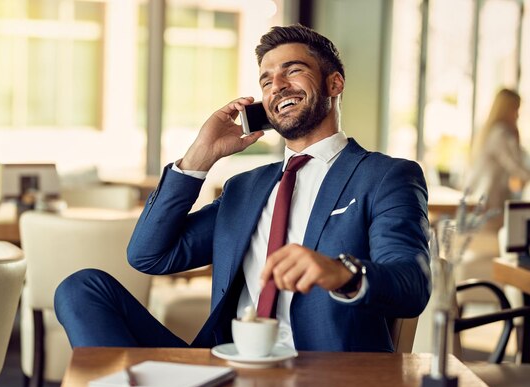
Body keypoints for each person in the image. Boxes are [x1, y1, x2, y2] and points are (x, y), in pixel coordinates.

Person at [54, 24, 430, 353]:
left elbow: (411, 285)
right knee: (81, 288)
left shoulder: (385, 176)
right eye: (266, 80)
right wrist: (198, 158)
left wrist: (341, 271)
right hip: (228, 364)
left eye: (293, 71)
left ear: (334, 83)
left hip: (321, 373)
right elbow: (149, 256)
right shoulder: (244, 188)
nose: (277, 85)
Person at [465, 88, 530, 231]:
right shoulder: (500, 134)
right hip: (488, 210)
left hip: (485, 206)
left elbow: (527, 165)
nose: (517, 115)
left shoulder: (496, 133)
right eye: (515, 110)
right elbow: (522, 171)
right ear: (505, 110)